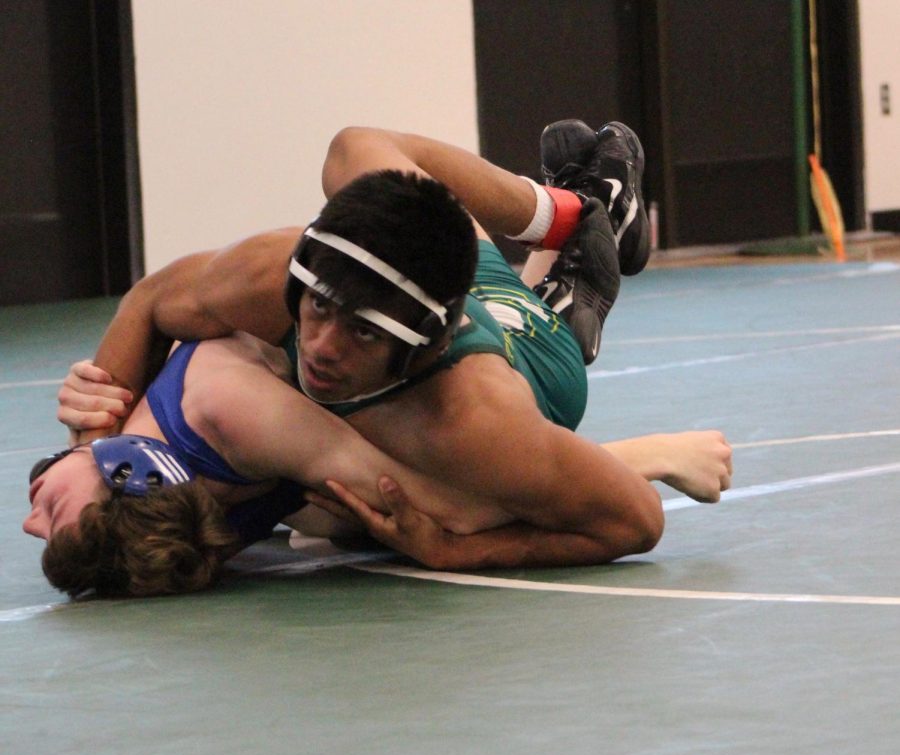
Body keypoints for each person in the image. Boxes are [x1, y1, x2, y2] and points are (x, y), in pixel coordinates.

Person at [57, 120, 733, 571]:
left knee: (420, 504)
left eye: (361, 335)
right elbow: (149, 301)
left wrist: (451, 551)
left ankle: (571, 294)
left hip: (531, 357)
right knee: (355, 145)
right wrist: (94, 441)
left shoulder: (471, 415)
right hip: (439, 281)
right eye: (318, 309)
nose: (320, 347)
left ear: (421, 345)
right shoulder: (278, 273)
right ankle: (575, 209)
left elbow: (634, 521)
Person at [27, 333, 510, 597]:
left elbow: (457, 509)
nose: (30, 523)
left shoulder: (231, 411)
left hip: (432, 350)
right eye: (50, 513)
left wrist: (451, 545)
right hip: (369, 413)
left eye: (50, 508)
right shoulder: (157, 531)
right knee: (341, 524)